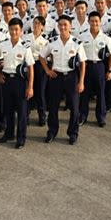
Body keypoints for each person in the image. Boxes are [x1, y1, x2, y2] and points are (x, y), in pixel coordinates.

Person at [39, 15, 86, 144]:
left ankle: (73, 133)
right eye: (60, 25)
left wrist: (81, 81)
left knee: (75, 108)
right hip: (56, 77)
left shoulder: (77, 43)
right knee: (53, 107)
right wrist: (48, 71)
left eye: (65, 24)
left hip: (71, 77)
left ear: (70, 26)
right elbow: (41, 56)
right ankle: (52, 132)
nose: (63, 27)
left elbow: (82, 63)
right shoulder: (52, 41)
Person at [0, 18, 34, 148]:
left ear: (21, 31)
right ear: (8, 30)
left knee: (22, 112)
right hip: (6, 80)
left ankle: (21, 138)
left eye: (16, 29)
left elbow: (30, 68)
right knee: (8, 109)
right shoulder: (3, 44)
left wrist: (30, 87)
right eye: (11, 29)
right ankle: (9, 133)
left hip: (20, 81)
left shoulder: (25, 47)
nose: (14, 32)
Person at [78, 11, 111, 126]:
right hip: (86, 66)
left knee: (101, 93)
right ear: (88, 22)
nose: (94, 23)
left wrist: (110, 70)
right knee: (84, 94)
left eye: (96, 21)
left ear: (100, 22)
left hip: (99, 66)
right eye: (92, 21)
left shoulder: (106, 38)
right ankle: (83, 116)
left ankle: (101, 117)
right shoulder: (82, 36)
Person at [24, 15, 49, 126]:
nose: (36, 25)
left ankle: (42, 115)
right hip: (27, 65)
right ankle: (26, 115)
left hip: (39, 66)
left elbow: (48, 57)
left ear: (43, 27)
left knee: (40, 92)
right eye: (35, 22)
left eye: (39, 23)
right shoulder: (25, 37)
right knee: (27, 91)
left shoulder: (46, 41)